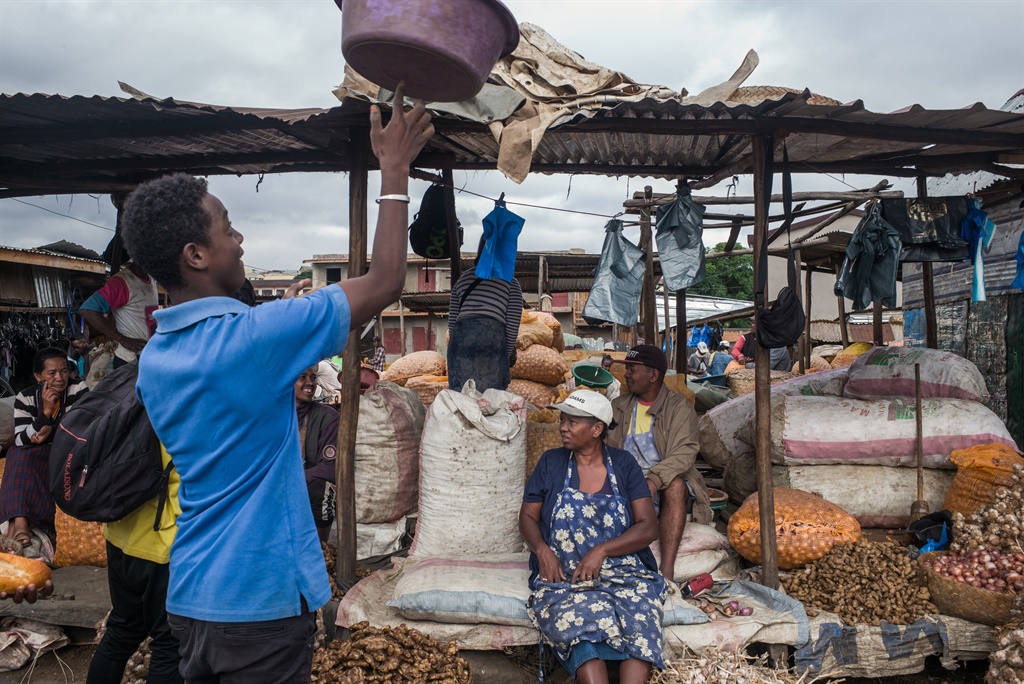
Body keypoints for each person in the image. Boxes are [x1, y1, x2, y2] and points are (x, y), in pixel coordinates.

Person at [120, 85, 432, 683]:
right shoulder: (252, 340)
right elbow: (388, 278)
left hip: (191, 595)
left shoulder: (157, 355)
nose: (240, 240)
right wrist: (393, 168)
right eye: (228, 229)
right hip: (257, 606)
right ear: (196, 254)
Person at [521, 390, 666, 684]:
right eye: (563, 420)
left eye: (572, 422)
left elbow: (648, 526)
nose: (563, 427)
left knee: (640, 621)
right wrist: (542, 550)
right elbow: (527, 517)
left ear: (597, 429)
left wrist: (601, 551)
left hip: (624, 573)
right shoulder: (552, 463)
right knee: (579, 631)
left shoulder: (624, 465)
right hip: (565, 578)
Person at [606, 345, 712, 577]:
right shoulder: (618, 406)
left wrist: (653, 480)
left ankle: (667, 568)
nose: (627, 375)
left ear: (653, 375)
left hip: (664, 476)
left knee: (675, 486)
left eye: (633, 370)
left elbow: (684, 453)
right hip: (627, 478)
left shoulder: (678, 408)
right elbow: (607, 450)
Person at [87, 444, 182, 684]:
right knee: (169, 644)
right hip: (163, 542)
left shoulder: (133, 405)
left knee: (122, 630)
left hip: (121, 533)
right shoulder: (186, 409)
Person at [0, 347, 88, 554]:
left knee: (22, 454)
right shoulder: (26, 397)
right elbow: (21, 440)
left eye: (64, 371)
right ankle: (20, 523)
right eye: (52, 373)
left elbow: (83, 426)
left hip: (70, 452)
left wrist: (51, 430)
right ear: (38, 376)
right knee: (16, 453)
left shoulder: (78, 389)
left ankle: (18, 528)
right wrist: (45, 414)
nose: (60, 377)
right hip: (38, 454)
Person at [446, 239, 523, 392]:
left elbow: (452, 324)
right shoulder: (511, 282)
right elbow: (512, 327)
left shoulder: (463, 279)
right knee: (489, 398)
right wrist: (504, 357)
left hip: (460, 342)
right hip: (491, 342)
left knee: (461, 393)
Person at [79, 252, 159, 369]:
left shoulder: (151, 279)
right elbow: (87, 309)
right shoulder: (122, 282)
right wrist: (123, 339)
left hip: (148, 357)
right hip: (130, 360)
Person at [294, 366, 339, 544]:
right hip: (276, 484)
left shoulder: (327, 418)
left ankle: (321, 550)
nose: (310, 383)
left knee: (322, 489)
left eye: (313, 378)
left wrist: (295, 478)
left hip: (306, 484)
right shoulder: (274, 417)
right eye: (302, 377)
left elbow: (331, 467)